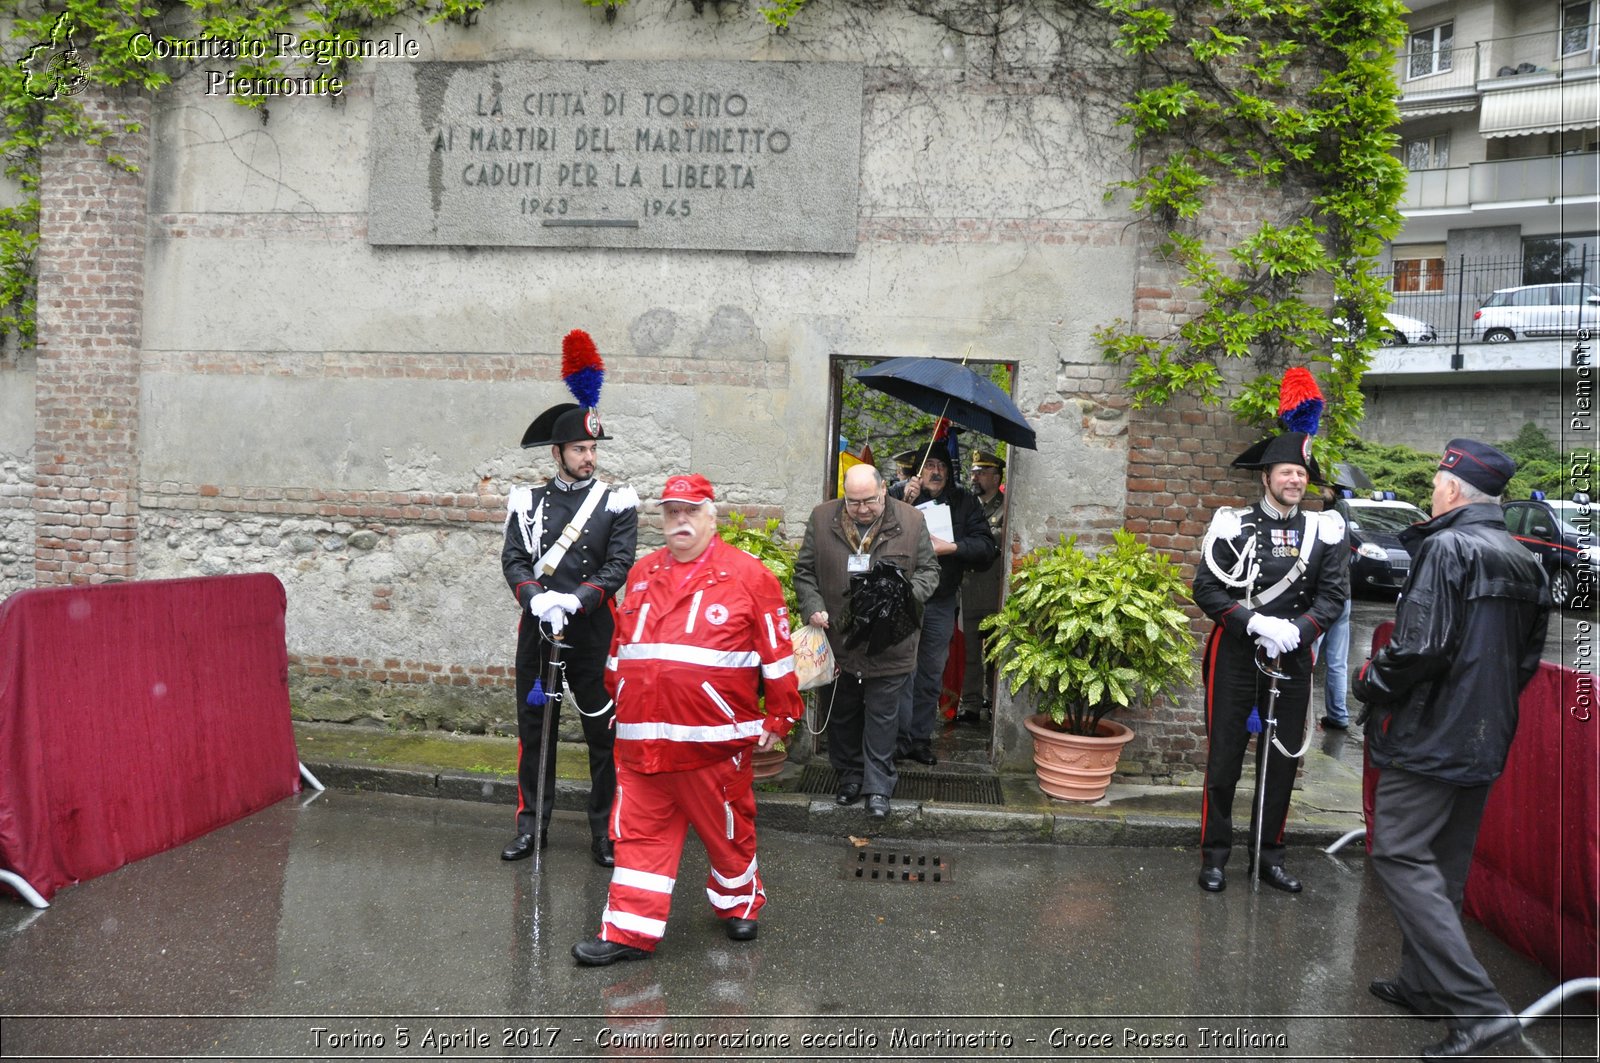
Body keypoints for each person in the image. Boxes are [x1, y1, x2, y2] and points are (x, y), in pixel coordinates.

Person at [1353, 439, 1549, 1060]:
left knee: (1401, 855)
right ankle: (1422, 984)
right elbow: (1524, 663)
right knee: (1444, 865)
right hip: (1484, 736)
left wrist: (1369, 680)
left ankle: (1480, 1013)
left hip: (1432, 735)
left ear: (1455, 489)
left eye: (1440, 478)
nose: (1435, 487)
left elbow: (1419, 648)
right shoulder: (1526, 561)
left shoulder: (1447, 545)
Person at [571, 474, 802, 966]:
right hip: (641, 743)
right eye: (672, 511)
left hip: (712, 746)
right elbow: (621, 648)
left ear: (711, 518)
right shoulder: (641, 573)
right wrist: (618, 697)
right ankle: (629, 931)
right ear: (661, 519)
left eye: (691, 510)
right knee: (636, 838)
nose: (680, 519)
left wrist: (780, 717)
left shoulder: (749, 576)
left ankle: (739, 901)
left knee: (725, 833)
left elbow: (777, 658)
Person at [1191, 430, 1349, 893]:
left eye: (1301, 473)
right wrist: (1254, 623)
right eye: (1287, 472)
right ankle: (1214, 856)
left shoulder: (1326, 529)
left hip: (1293, 658)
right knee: (1224, 760)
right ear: (1266, 477)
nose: (1295, 480)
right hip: (1238, 654)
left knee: (1280, 763)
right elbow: (1207, 588)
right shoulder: (1232, 524)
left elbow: (1334, 595)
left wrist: (1299, 631)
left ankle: (1268, 856)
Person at [500, 369, 639, 869]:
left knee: (604, 736)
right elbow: (514, 559)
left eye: (593, 449)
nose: (590, 458)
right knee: (536, 731)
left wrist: (577, 599)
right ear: (557, 453)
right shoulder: (527, 502)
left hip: (594, 633)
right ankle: (531, 827)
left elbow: (619, 563)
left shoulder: (616, 502)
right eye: (580, 449)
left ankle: (606, 832)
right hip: (538, 633)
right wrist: (535, 597)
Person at [793, 464, 940, 821]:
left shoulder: (911, 521)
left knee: (883, 718)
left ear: (883, 491)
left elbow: (930, 571)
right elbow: (805, 572)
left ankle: (878, 787)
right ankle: (848, 777)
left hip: (890, 642)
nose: (861, 509)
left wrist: (904, 597)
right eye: (853, 502)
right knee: (842, 714)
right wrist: (813, 608)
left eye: (869, 502)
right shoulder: (822, 517)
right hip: (838, 638)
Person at [887, 443, 999, 764]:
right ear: (918, 469)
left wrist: (952, 548)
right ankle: (897, 740)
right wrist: (900, 503)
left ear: (949, 472)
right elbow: (870, 534)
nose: (936, 471)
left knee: (930, 674)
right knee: (900, 672)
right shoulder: (897, 493)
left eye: (942, 466)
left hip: (940, 600)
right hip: (903, 598)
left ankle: (920, 739)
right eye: (930, 465)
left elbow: (985, 547)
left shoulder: (964, 501)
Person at [957, 451, 1008, 724]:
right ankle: (971, 704)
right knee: (970, 654)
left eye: (981, 472)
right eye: (973, 471)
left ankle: (993, 699)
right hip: (967, 591)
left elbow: (1000, 539)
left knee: (995, 655)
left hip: (993, 591)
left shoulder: (1006, 507)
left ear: (996, 476)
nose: (974, 476)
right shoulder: (968, 506)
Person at [1316, 486, 1353, 731]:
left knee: (1307, 657)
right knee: (1338, 662)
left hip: (1321, 599)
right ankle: (1339, 715)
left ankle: (1300, 712)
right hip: (1344, 596)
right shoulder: (1343, 520)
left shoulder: (1317, 524)